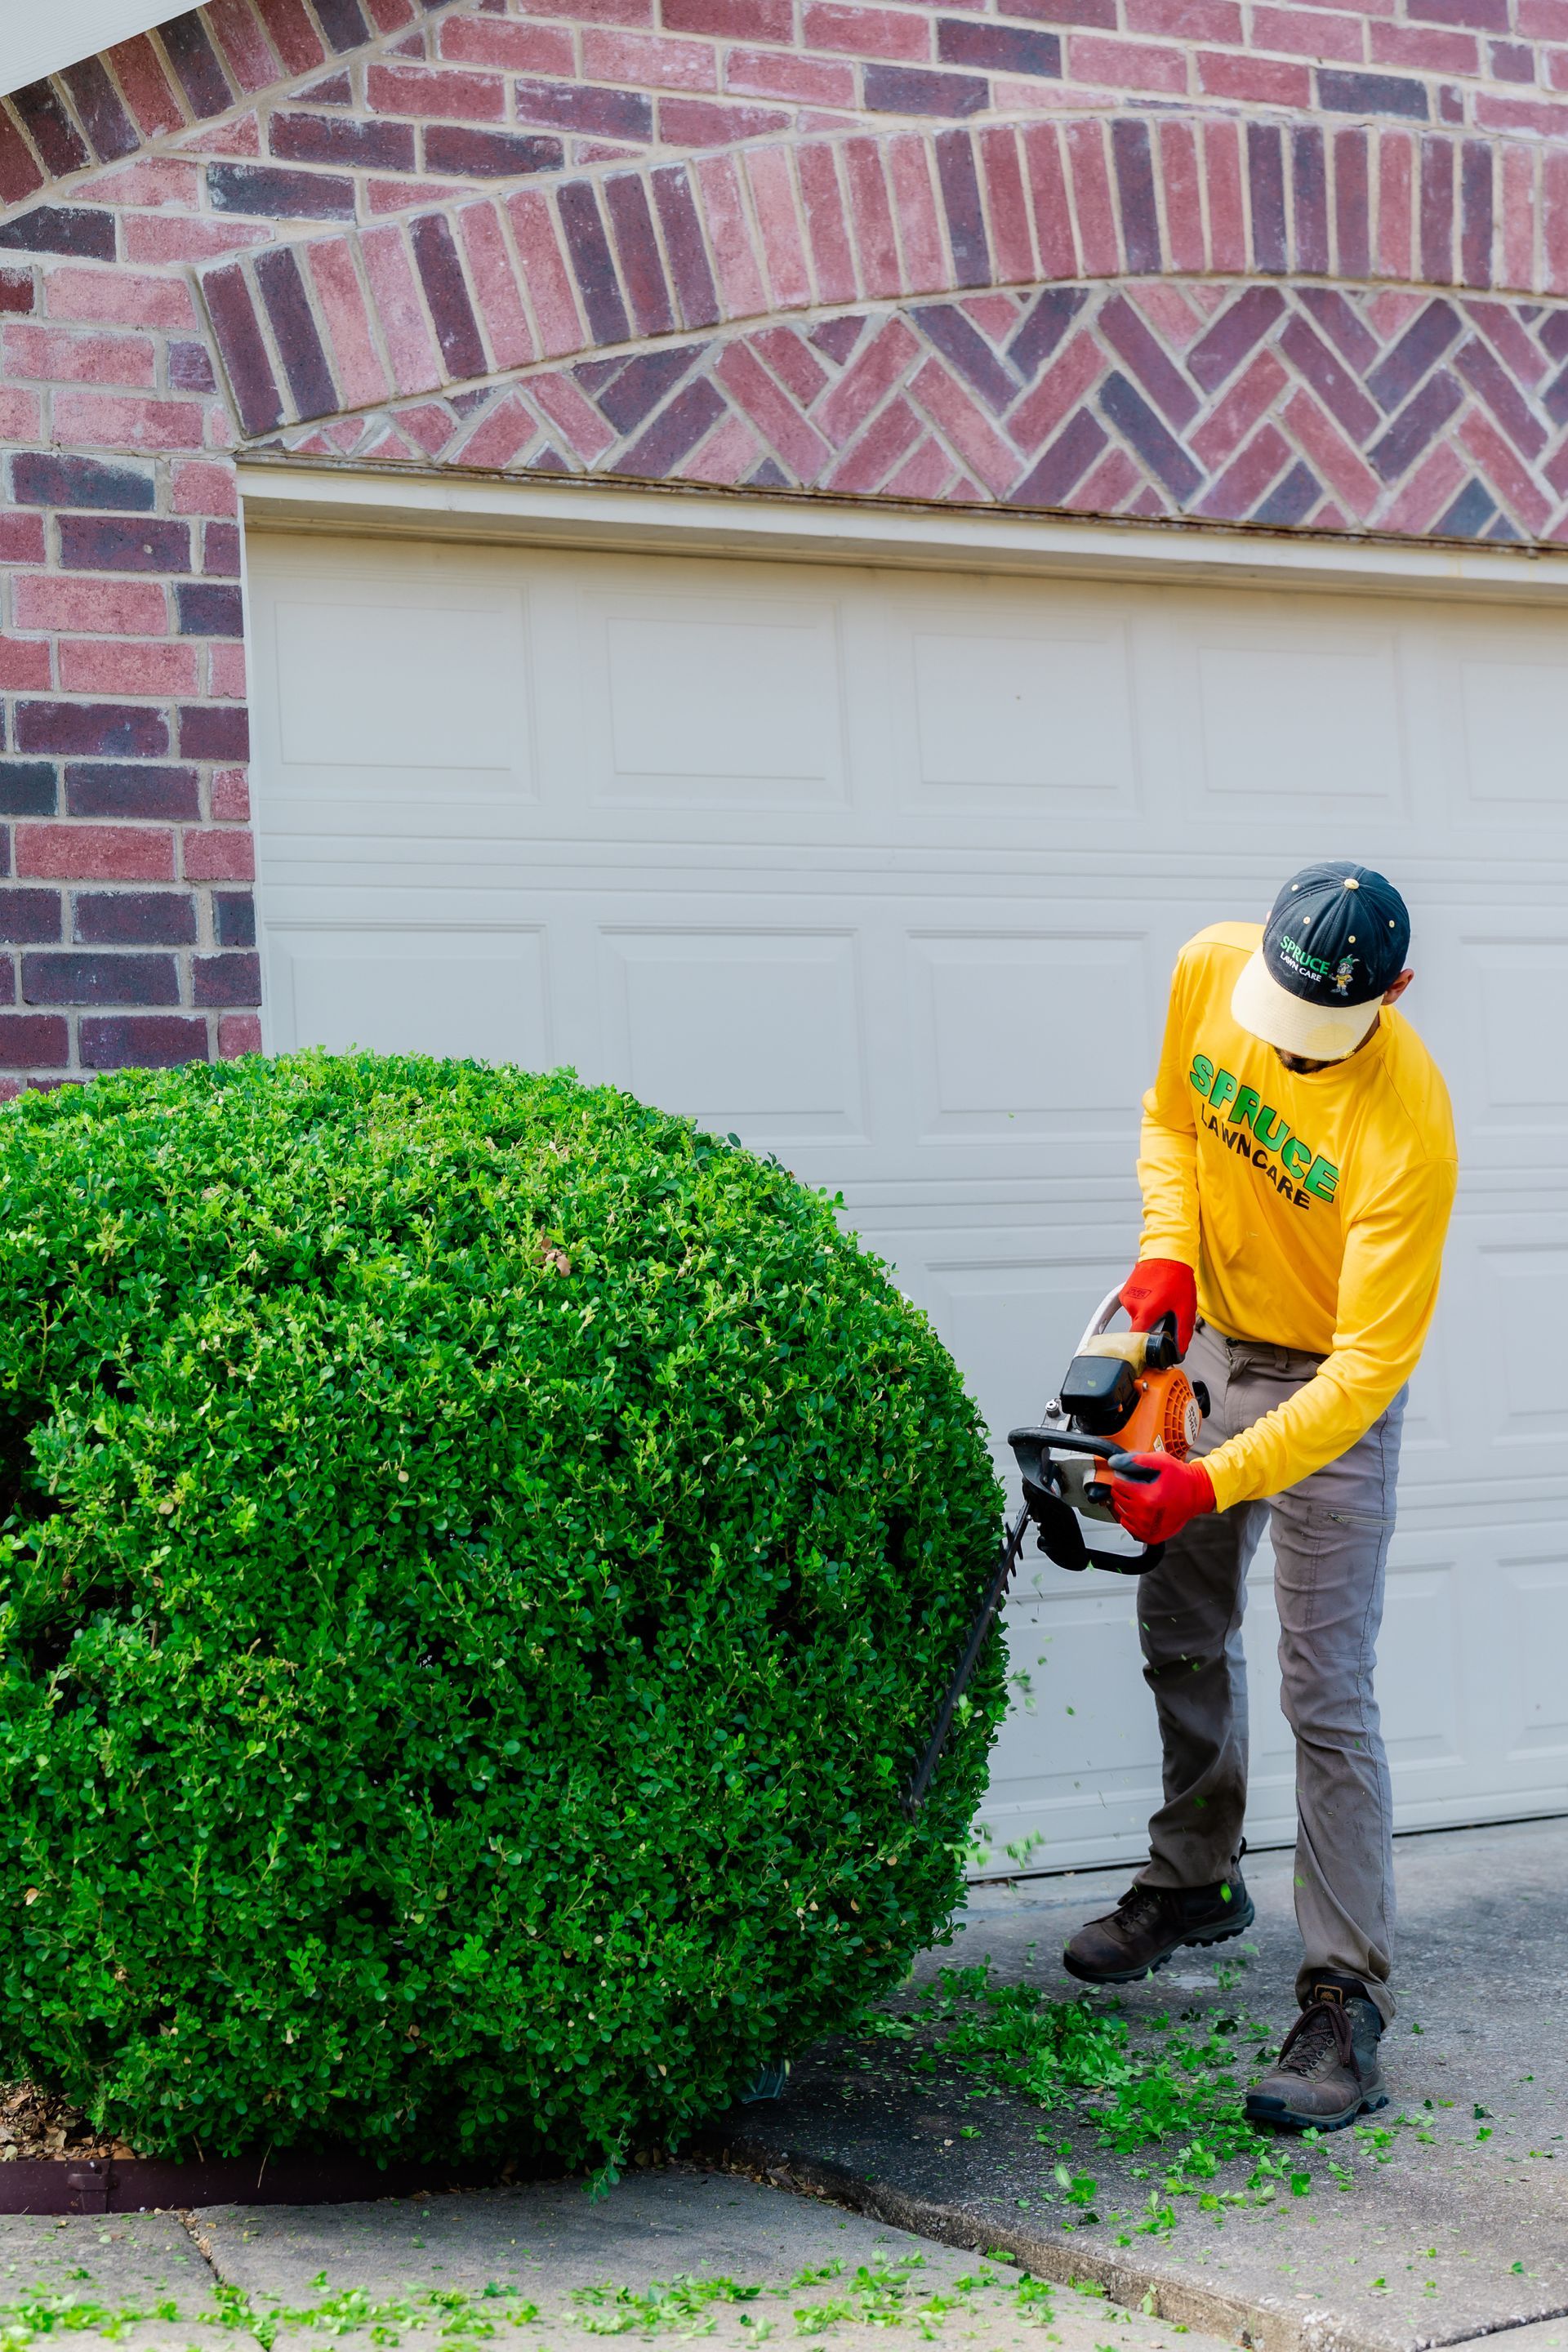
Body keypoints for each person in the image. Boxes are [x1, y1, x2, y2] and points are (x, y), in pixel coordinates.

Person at [1061, 862, 1457, 2133]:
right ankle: (1193, 1879)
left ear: (1394, 992)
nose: (1289, 1058)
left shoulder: (1408, 1126)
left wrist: (1215, 1476)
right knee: (1178, 1628)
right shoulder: (1210, 966)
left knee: (1324, 1694)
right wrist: (1168, 1248)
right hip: (1214, 1345)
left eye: (1319, 1042)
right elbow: (1170, 1120)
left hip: (1330, 1396)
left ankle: (1345, 2000)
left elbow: (1361, 1376)